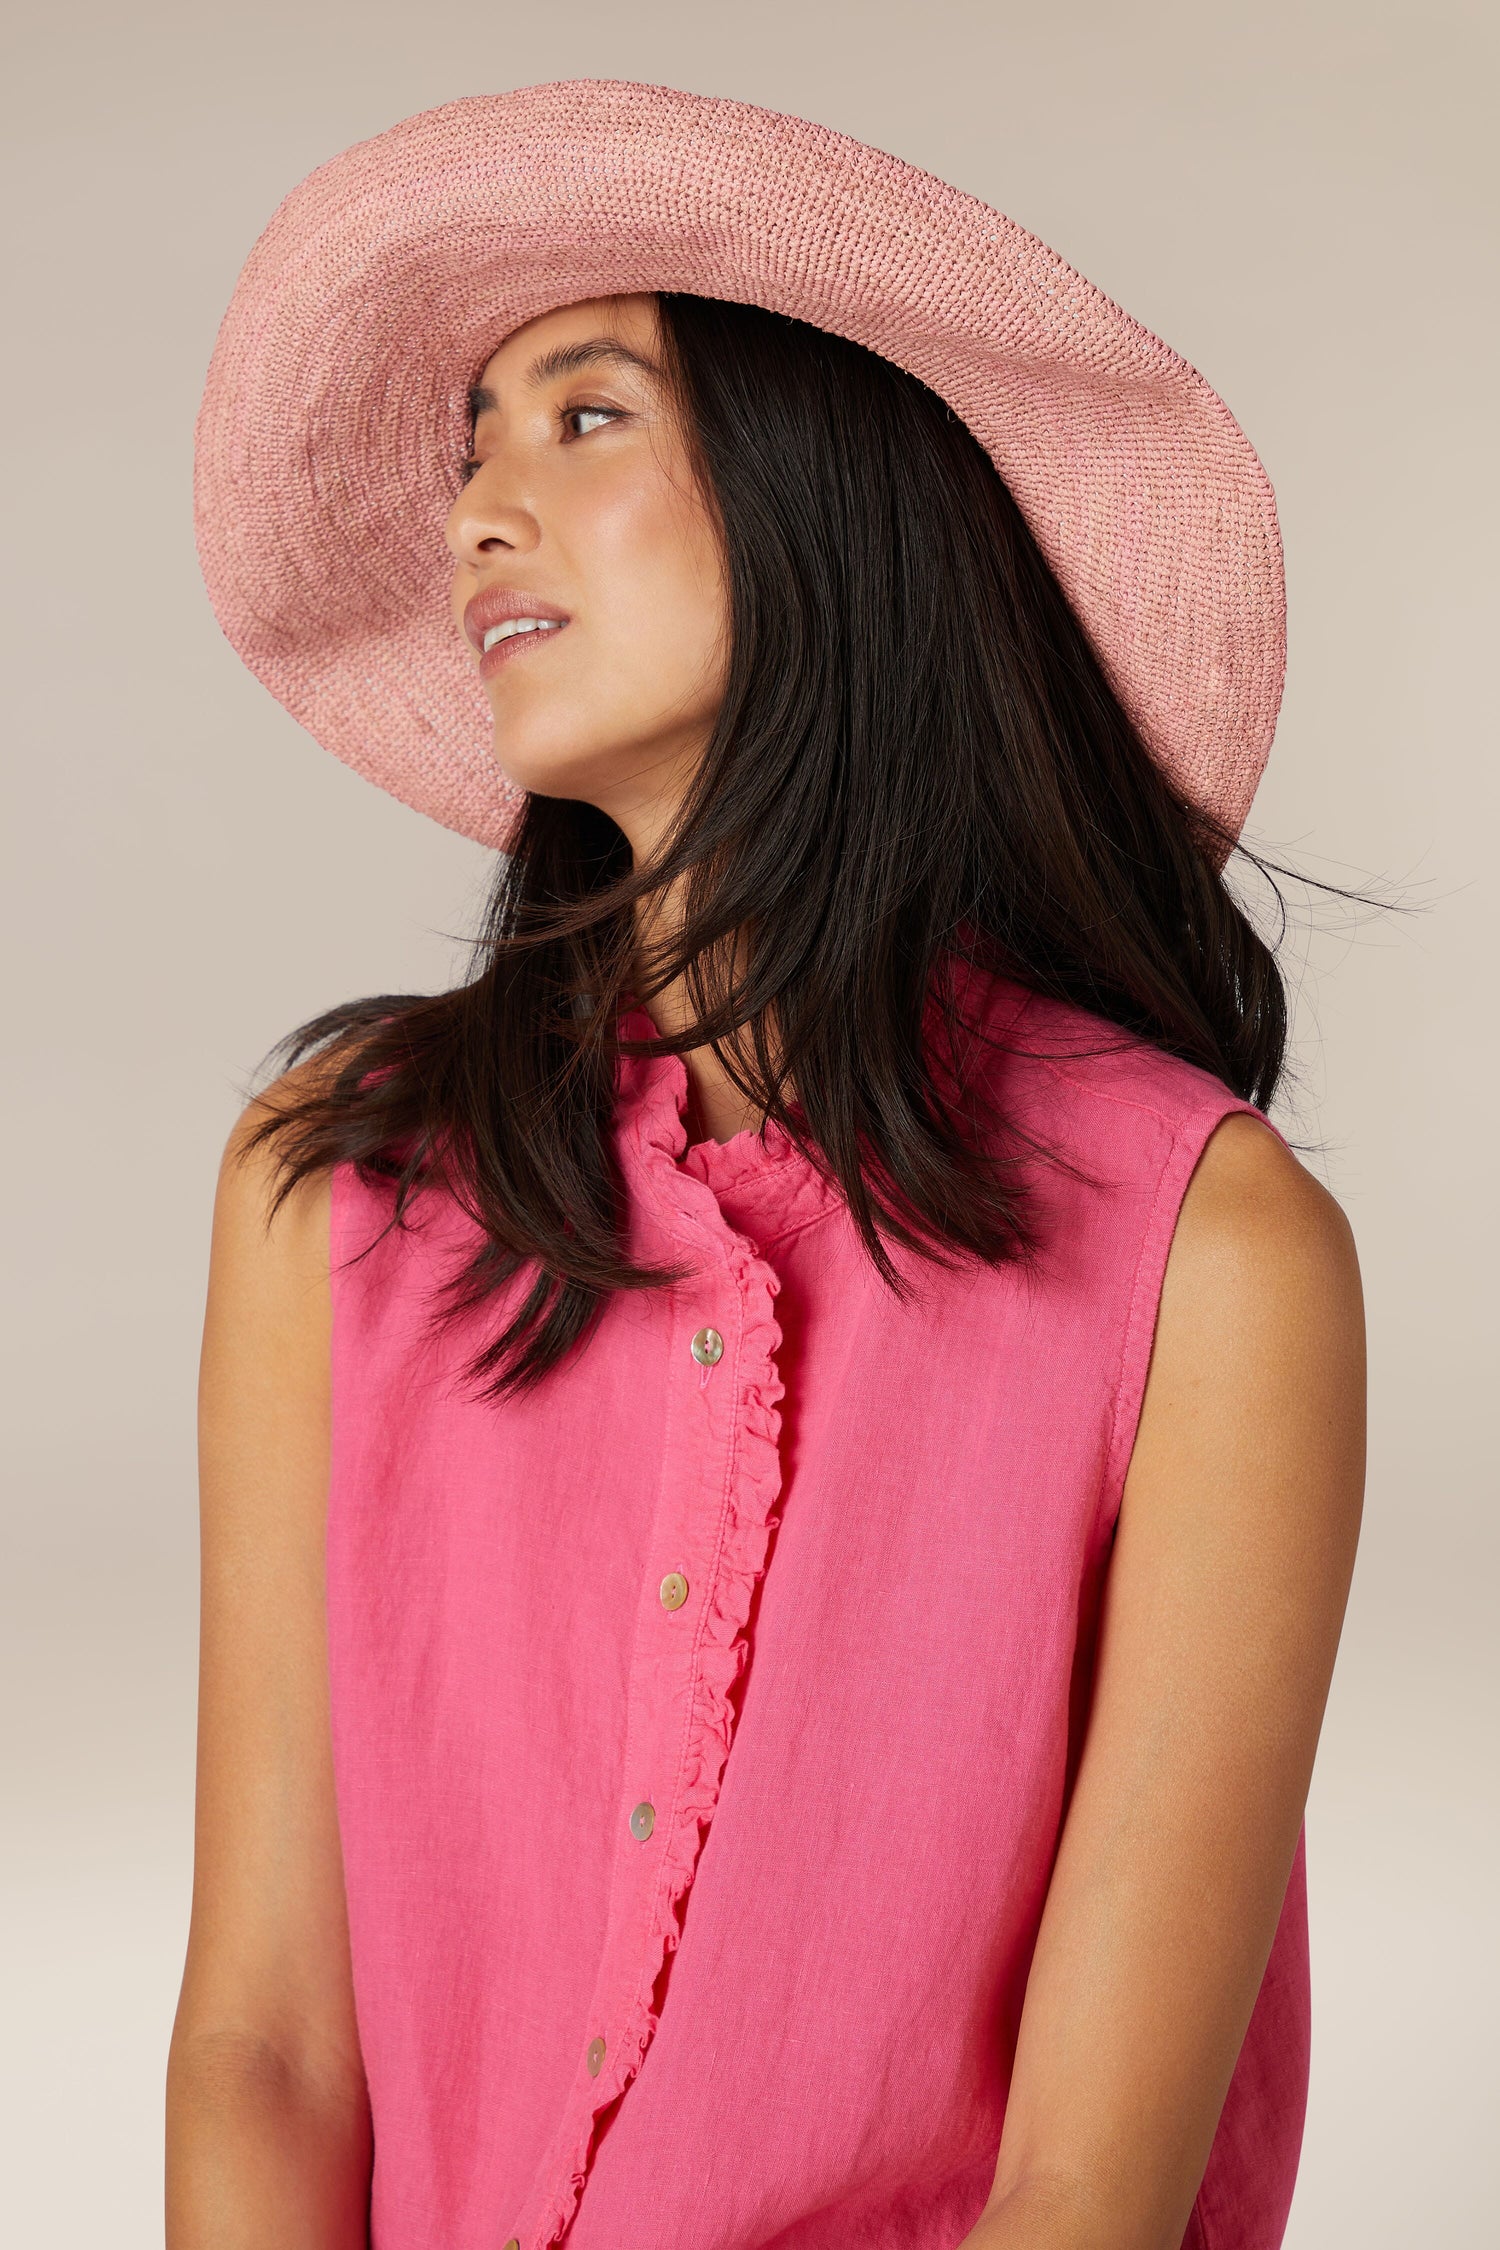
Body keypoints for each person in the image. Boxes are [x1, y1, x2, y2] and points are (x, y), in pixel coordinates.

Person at [167, 82, 1365, 2250]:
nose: (476, 520)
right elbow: (266, 2043)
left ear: (829, 494)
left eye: (584, 416)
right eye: (467, 453)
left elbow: (1094, 2182)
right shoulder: (332, 1198)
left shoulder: (1212, 1253)